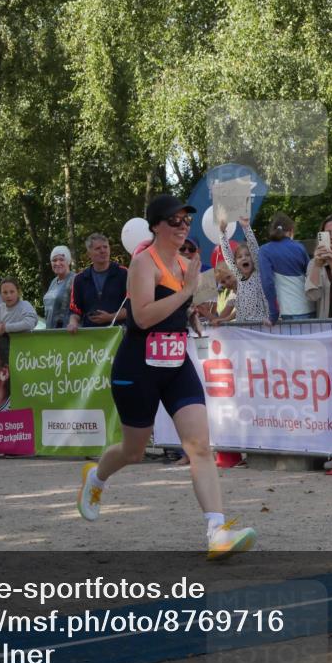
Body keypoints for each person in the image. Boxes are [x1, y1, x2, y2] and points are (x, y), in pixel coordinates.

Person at [76, 193, 256, 559]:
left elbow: (191, 304)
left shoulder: (188, 264)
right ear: (156, 226)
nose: (183, 226)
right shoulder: (144, 263)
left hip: (176, 364)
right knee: (133, 450)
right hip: (137, 367)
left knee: (200, 446)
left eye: (186, 220)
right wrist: (186, 292)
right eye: (175, 220)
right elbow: (142, 317)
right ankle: (96, 477)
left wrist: (193, 312)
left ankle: (217, 532)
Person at [67, 233, 128, 332]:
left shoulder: (123, 273)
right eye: (98, 248)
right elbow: (75, 310)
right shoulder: (80, 279)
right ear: (89, 254)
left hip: (119, 334)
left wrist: (110, 317)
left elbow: (133, 307)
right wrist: (73, 323)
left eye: (105, 247)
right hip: (91, 335)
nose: (103, 251)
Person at [258, 213, 314, 322]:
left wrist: (273, 314)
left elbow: (267, 283)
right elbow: (310, 275)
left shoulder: (265, 250)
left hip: (288, 311)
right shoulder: (300, 247)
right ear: (291, 230)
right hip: (310, 307)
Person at [219, 213, 269, 324]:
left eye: (247, 255)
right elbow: (227, 255)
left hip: (259, 325)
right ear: (235, 263)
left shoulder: (257, 273)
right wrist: (222, 232)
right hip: (242, 325)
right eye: (240, 257)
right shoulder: (238, 276)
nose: (244, 258)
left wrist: (246, 227)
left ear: (253, 259)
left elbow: (254, 248)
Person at [43, 245, 75, 329]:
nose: (57, 263)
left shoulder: (75, 279)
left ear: (68, 261)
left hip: (67, 332)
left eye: (61, 259)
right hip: (51, 331)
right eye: (54, 260)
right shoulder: (53, 282)